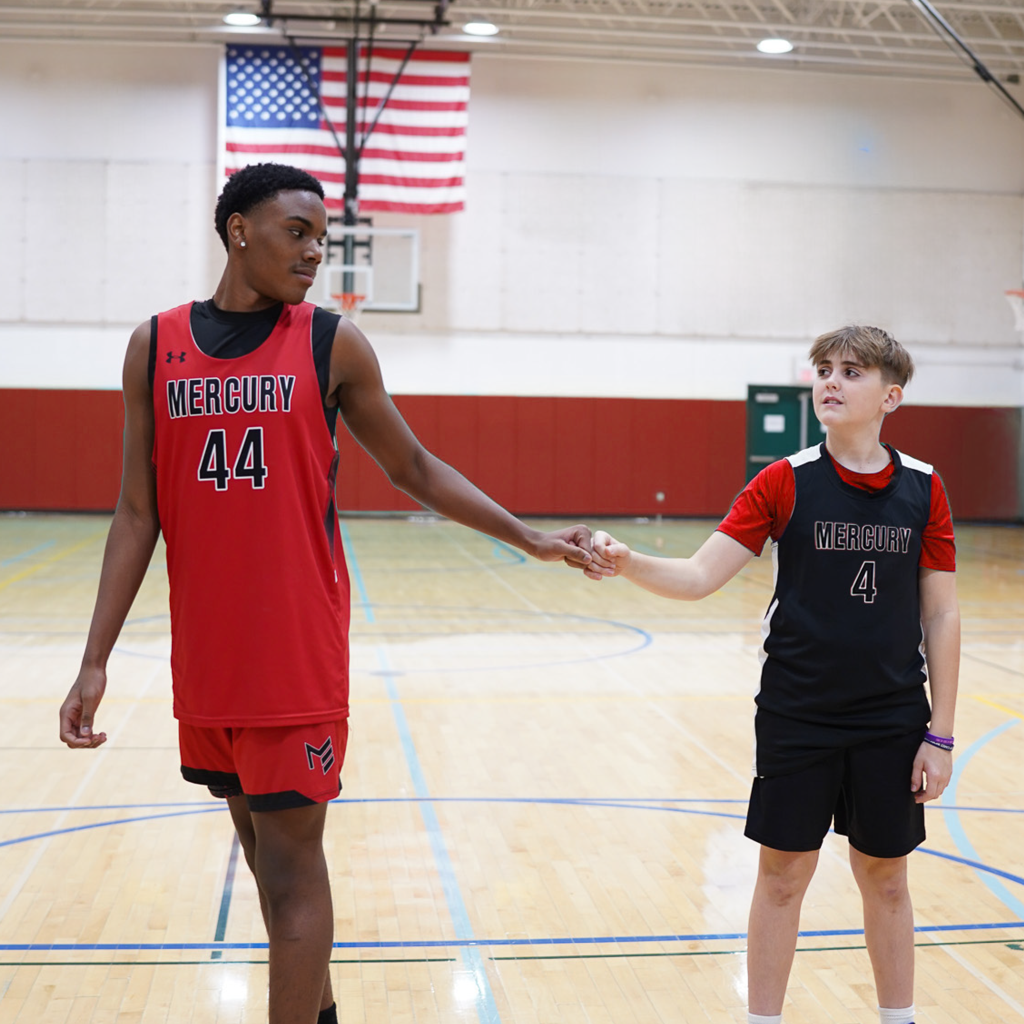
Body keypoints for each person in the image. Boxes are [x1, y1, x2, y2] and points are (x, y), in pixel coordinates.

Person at [58, 162, 594, 1024]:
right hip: (207, 657)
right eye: (297, 232)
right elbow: (135, 512)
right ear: (239, 230)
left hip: (293, 656)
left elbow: (414, 466)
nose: (316, 252)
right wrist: (95, 660)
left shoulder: (330, 342)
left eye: (322, 238)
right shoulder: (154, 345)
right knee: (261, 858)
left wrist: (529, 537)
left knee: (292, 868)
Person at [585, 325, 959, 1024]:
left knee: (886, 879)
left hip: (891, 716)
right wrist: (629, 561)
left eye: (851, 372)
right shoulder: (784, 480)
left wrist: (939, 735)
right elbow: (699, 576)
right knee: (783, 876)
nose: (831, 382)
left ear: (892, 396)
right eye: (824, 369)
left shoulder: (923, 487)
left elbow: (941, 614)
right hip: (798, 711)